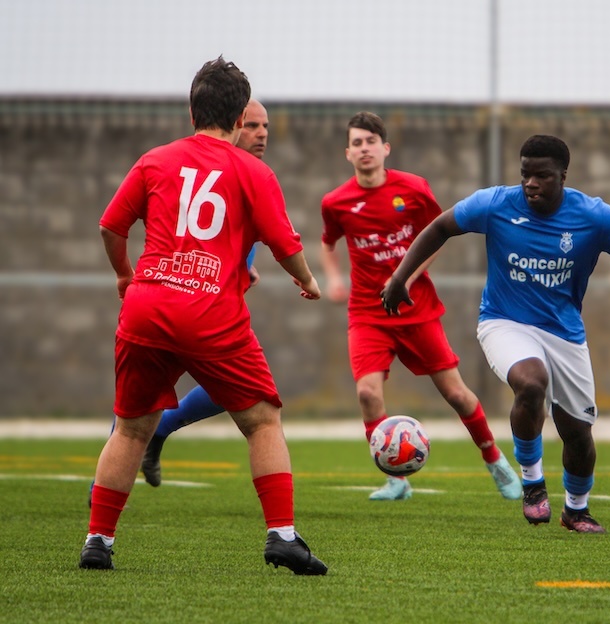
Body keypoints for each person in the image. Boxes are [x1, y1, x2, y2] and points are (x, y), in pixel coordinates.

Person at [81, 58, 327, 575]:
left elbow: (111, 225)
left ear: (192, 110)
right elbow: (284, 243)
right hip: (211, 310)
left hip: (147, 306)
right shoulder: (253, 171)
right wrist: (307, 280)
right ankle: (282, 535)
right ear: (241, 119)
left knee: (129, 430)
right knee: (262, 419)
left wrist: (125, 277)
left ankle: (97, 542)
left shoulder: (155, 160)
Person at [382, 135, 610, 533]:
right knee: (531, 382)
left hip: (564, 332)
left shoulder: (593, 216)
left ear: (563, 176)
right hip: (504, 321)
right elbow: (440, 227)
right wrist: (401, 278)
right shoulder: (497, 204)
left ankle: (576, 510)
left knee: (578, 434)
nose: (530, 183)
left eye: (542, 175)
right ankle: (532, 482)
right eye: (525, 174)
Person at [319, 112, 522, 501]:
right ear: (348, 153)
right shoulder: (336, 202)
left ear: (385, 148)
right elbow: (328, 243)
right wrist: (333, 277)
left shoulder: (412, 189)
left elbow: (436, 237)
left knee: (457, 394)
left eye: (371, 141)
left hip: (417, 310)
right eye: (357, 143)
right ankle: (396, 479)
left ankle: (495, 460)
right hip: (366, 313)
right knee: (366, 393)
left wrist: (406, 279)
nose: (365, 149)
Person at [137, 98, 271, 486]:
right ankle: (104, 490)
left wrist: (245, 269)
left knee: (225, 390)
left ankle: (159, 430)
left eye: (266, 127)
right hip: (173, 297)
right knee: (140, 395)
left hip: (214, 304)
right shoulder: (190, 166)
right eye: (252, 125)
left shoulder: (252, 173)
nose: (261, 134)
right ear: (233, 122)